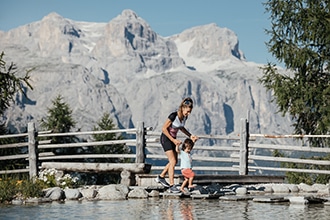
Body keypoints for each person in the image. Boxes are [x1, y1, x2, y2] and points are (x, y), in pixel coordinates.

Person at [155, 97, 198, 193]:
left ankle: (161, 177)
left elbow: (182, 128)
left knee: (173, 162)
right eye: (187, 111)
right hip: (166, 138)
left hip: (173, 140)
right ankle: (171, 185)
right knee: (173, 161)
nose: (189, 113)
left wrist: (191, 136)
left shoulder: (184, 117)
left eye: (190, 111)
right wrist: (173, 140)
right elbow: (164, 129)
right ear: (183, 108)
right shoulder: (173, 116)